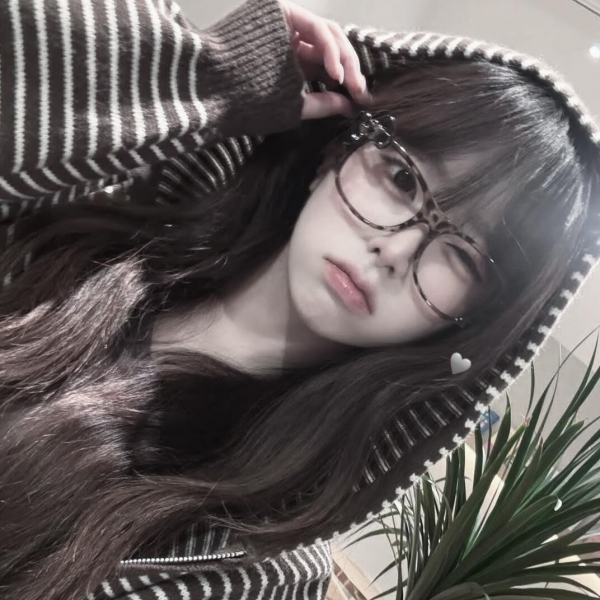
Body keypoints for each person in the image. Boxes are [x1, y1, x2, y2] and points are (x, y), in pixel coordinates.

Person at [0, 0, 598, 599]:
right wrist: (209, 71)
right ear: (334, 154)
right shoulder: (82, 230)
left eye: (463, 256)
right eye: (402, 179)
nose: (396, 250)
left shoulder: (263, 568)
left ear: (472, 320)